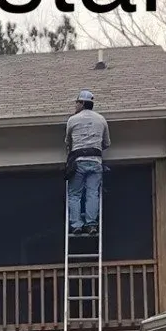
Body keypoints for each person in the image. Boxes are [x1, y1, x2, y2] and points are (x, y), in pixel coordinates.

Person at [65, 90, 109, 236]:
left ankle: (76, 225)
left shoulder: (73, 120)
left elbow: (68, 143)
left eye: (77, 102)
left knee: (74, 194)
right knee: (92, 193)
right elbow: (107, 143)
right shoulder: (101, 119)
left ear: (83, 103)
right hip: (95, 161)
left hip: (78, 161)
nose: (75, 105)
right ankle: (91, 225)